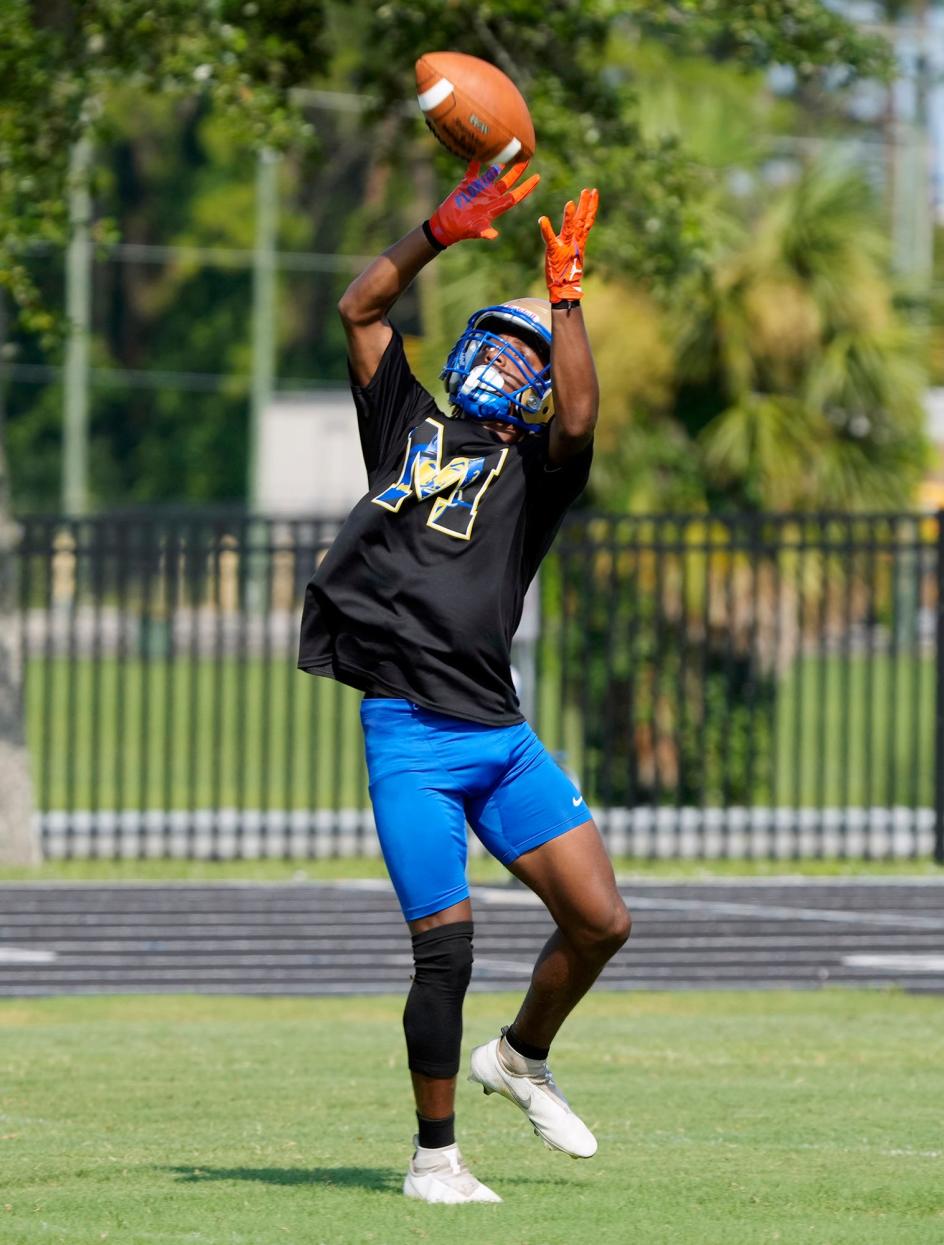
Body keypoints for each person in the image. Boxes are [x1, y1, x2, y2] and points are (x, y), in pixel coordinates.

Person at [298, 159, 631, 1204]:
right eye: (495, 336)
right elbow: (359, 306)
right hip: (413, 738)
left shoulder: (539, 472)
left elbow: (578, 421)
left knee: (601, 922)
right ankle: (433, 1158)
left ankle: (520, 1057)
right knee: (447, 950)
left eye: (522, 348)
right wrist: (438, 230)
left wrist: (564, 300)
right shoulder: (407, 423)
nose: (499, 355)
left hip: (496, 734)